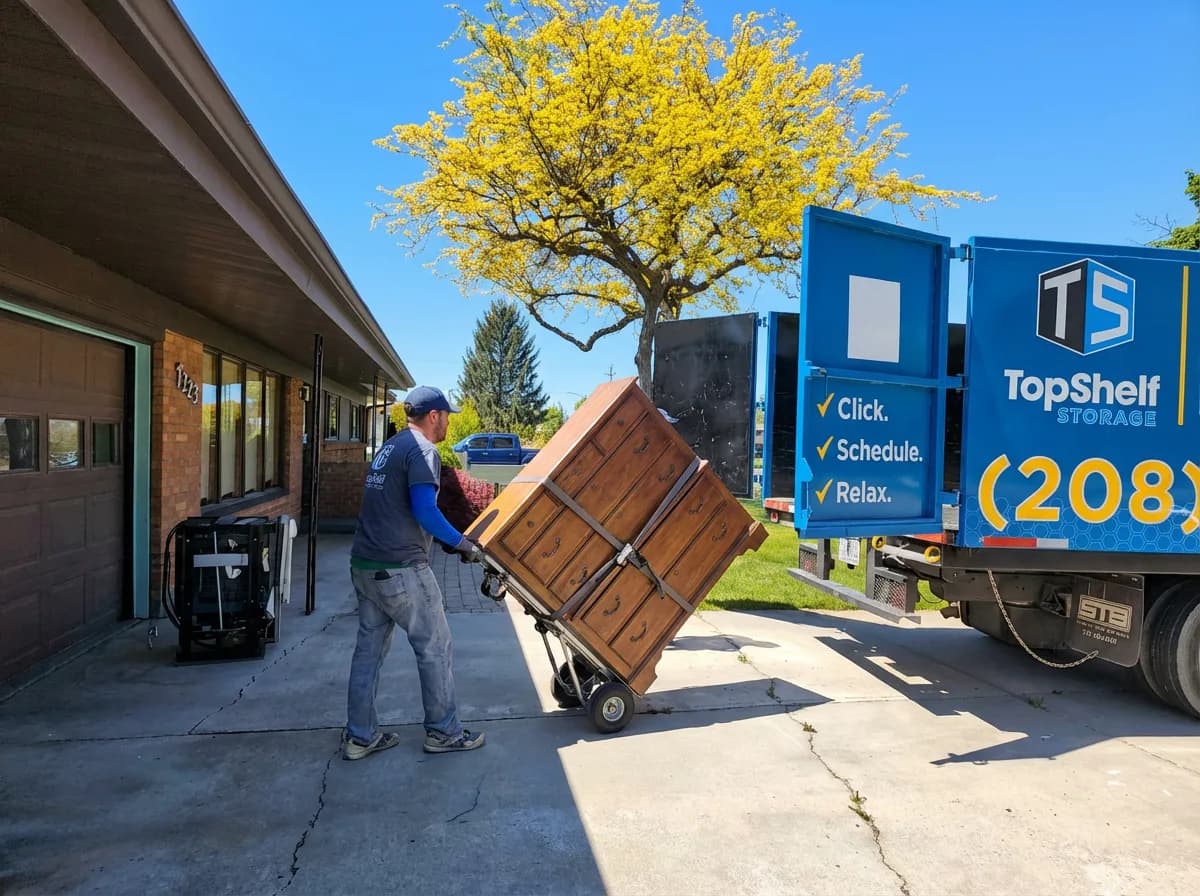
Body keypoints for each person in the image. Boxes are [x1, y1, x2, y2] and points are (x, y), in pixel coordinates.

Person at [343, 385, 486, 759]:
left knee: (368, 653)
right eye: (447, 416)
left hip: (365, 565)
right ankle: (443, 732)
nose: (449, 423)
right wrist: (463, 543)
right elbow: (425, 510)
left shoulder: (392, 446)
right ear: (434, 416)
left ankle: (360, 737)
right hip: (400, 567)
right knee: (435, 646)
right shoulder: (423, 450)